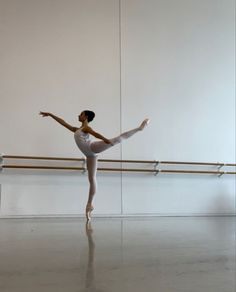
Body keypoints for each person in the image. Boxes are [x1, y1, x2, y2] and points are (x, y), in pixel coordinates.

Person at [39, 110, 149, 221]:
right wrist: (51, 115)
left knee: (117, 139)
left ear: (85, 117)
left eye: (81, 114)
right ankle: (89, 205)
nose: (78, 115)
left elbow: (94, 133)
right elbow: (63, 123)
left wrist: (105, 139)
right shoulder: (77, 129)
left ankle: (140, 128)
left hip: (92, 147)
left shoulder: (85, 128)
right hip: (89, 155)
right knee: (92, 179)